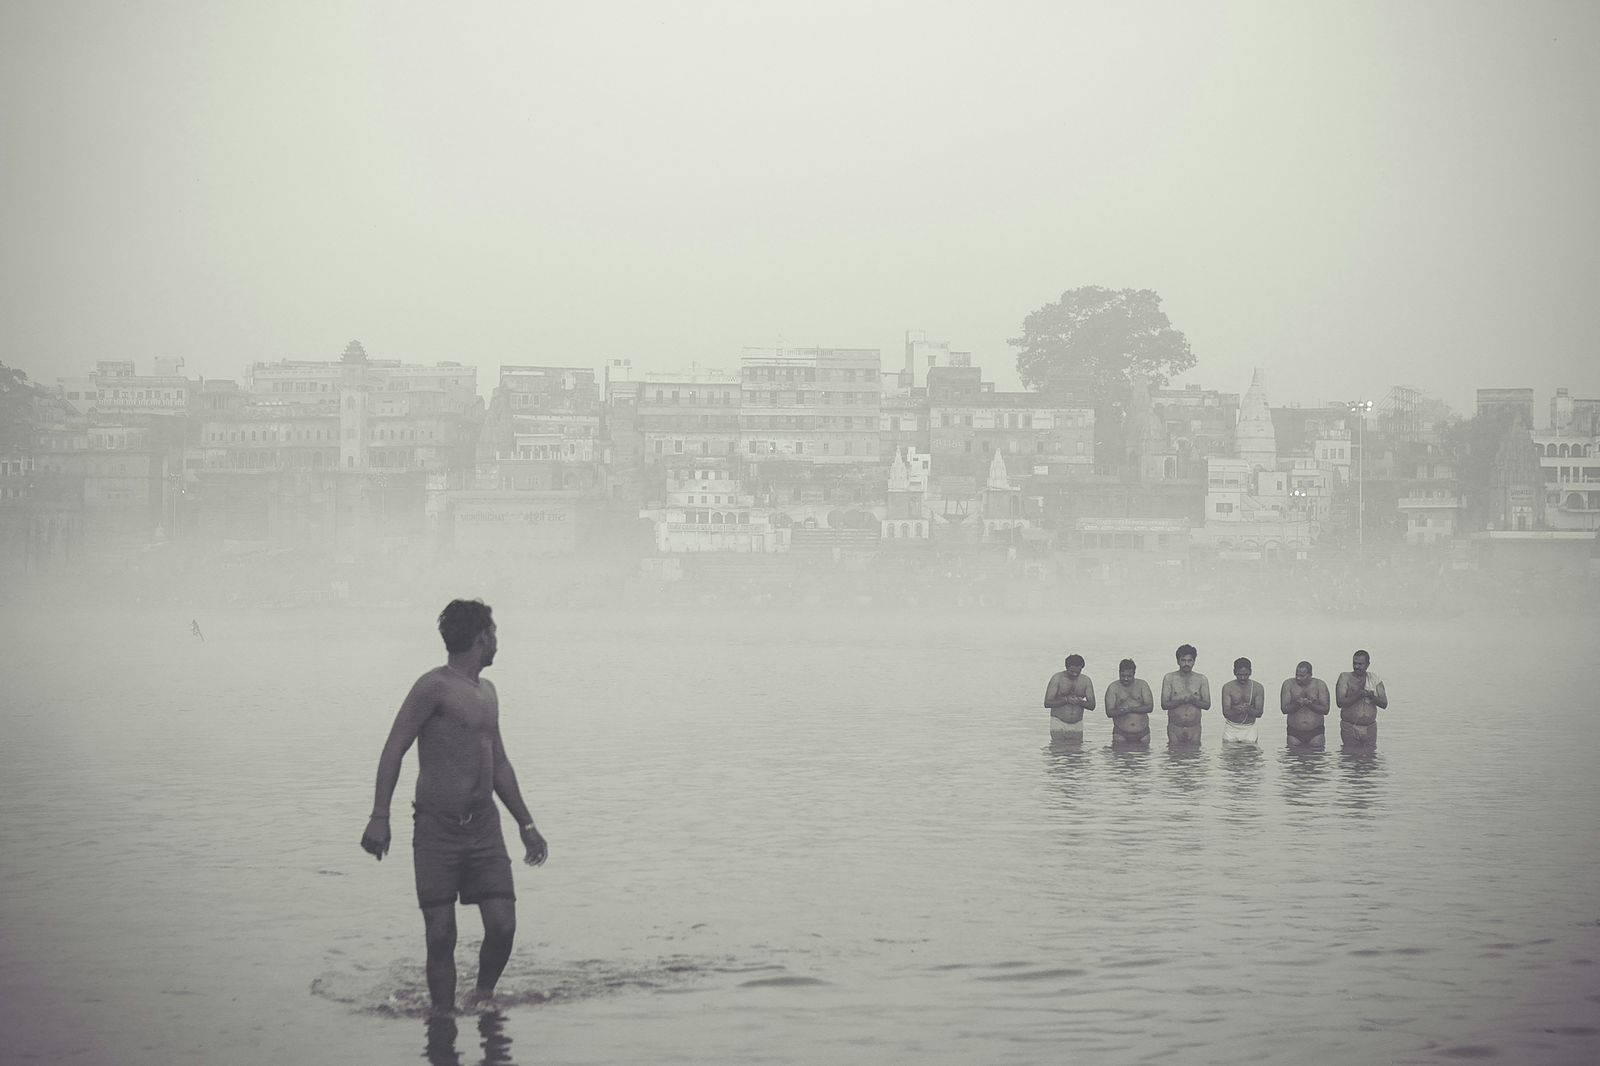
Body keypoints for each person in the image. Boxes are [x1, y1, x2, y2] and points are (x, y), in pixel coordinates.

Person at [360, 599, 549, 1016]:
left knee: (502, 925)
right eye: (494, 633)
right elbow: (394, 748)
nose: (497, 640)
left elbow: (498, 761)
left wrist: (527, 824)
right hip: (436, 829)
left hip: (484, 828)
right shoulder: (433, 687)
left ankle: (482, 997)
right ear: (482, 636)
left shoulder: (488, 693)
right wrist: (379, 816)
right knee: (441, 934)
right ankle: (443, 1020)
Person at [1336, 649, 1388, 746]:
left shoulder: (1374, 678)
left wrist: (1371, 697)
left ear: (1368, 664)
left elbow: (1384, 704)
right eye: (1354, 663)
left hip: (1370, 727)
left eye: (1360, 664)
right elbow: (1340, 702)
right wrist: (1358, 695)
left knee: (1370, 758)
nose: (1357, 667)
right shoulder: (1345, 677)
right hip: (1350, 726)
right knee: (1349, 757)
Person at [1160, 644, 1210, 745]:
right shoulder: (1169, 678)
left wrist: (1193, 700)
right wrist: (1179, 701)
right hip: (1175, 729)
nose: (1186, 664)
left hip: (1194, 729)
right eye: (1183, 660)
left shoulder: (1201, 679)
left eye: (1189, 660)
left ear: (1194, 661)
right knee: (1174, 756)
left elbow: (1207, 705)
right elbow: (1164, 705)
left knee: (1195, 757)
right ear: (1178, 661)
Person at [1280, 661, 1331, 748]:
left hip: (1316, 732)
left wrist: (1310, 704)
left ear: (1310, 675)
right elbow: (1284, 709)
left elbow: (1326, 710)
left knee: (1316, 758)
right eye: (1297, 675)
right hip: (1294, 732)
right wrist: (1297, 704)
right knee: (1292, 759)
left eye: (1302, 676)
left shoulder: (1320, 685)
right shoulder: (1288, 684)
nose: (1298, 678)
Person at [1044, 653, 1096, 737]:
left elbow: (1092, 705)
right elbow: (1047, 703)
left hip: (1077, 723)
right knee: (1058, 749)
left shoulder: (1086, 680)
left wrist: (1080, 702)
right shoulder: (1057, 678)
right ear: (1066, 667)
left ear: (1081, 668)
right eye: (1071, 671)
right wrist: (1066, 700)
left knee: (1077, 749)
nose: (1074, 674)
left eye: (1078, 672)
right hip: (1058, 722)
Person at [1105, 658, 1153, 746]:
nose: (1126, 679)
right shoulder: (1113, 688)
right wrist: (1123, 710)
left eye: (1129, 676)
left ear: (1134, 674)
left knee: (1143, 757)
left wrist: (1131, 709)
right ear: (1119, 673)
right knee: (1120, 757)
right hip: (1120, 733)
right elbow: (1109, 712)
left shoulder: (1142, 685)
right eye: (1123, 676)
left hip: (1143, 733)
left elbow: (1149, 707)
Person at [1219, 657, 1265, 744]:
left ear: (1250, 672)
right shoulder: (1227, 687)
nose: (1243, 678)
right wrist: (1238, 710)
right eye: (1239, 675)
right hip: (1231, 727)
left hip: (1250, 728)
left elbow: (1259, 713)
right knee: (1229, 755)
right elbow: (1226, 713)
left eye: (1246, 674)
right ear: (1234, 672)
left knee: (1250, 756)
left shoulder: (1258, 687)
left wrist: (1249, 709)